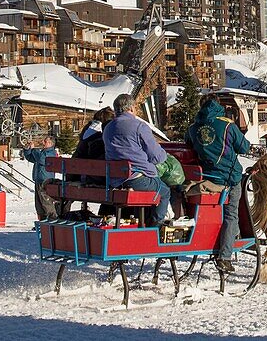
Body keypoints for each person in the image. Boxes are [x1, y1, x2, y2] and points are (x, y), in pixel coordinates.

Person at [186, 95, 251, 272]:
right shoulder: (227, 125)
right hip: (227, 178)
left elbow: (188, 146)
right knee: (232, 215)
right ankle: (225, 255)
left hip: (203, 177)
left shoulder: (193, 127)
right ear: (218, 105)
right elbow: (244, 147)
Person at [104, 93, 170, 227]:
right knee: (165, 191)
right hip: (137, 177)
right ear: (132, 108)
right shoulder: (139, 126)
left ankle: (142, 223)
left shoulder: (108, 128)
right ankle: (156, 227)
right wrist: (164, 154)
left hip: (115, 179)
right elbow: (156, 157)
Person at [22, 135, 60, 221]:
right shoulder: (43, 152)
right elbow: (31, 158)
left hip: (45, 180)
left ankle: (52, 219)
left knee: (46, 202)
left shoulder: (51, 153)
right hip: (38, 180)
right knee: (38, 204)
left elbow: (41, 159)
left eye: (45, 142)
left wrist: (34, 149)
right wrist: (27, 149)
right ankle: (42, 221)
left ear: (50, 143)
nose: (43, 143)